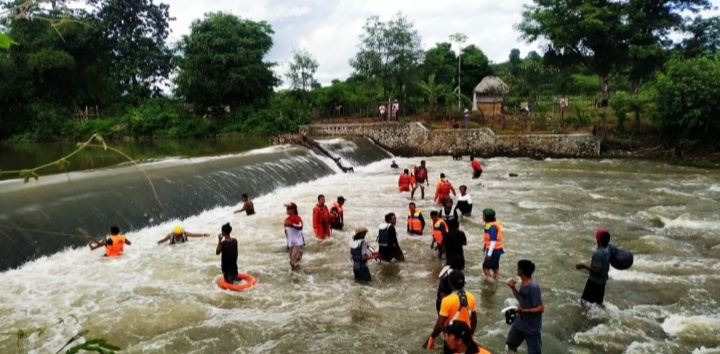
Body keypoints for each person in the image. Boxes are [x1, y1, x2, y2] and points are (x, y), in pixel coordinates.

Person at [424, 270, 477, 352]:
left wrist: (432, 337)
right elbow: (474, 320)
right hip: (466, 339)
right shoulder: (471, 297)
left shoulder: (447, 301)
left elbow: (439, 325)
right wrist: (471, 333)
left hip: (452, 340)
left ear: (450, 283)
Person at [506, 260, 544, 354]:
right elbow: (521, 298)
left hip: (532, 327)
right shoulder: (523, 283)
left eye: (518, 268)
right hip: (520, 323)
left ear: (521, 271)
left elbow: (540, 308)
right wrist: (513, 287)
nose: (517, 269)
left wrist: (523, 310)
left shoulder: (533, 287)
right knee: (511, 344)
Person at [575, 229, 611, 310]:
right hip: (602, 282)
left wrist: (583, 266)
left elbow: (597, 270)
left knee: (584, 302)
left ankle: (587, 318)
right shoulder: (608, 251)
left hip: (594, 282)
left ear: (598, 240)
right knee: (598, 303)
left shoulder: (598, 253)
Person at [482, 208, 504, 280]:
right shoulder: (490, 224)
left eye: (484, 216)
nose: (482, 217)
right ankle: (497, 279)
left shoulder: (492, 227)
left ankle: (489, 282)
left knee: (485, 267)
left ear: (488, 217)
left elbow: (493, 241)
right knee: (495, 267)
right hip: (497, 250)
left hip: (493, 250)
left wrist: (489, 254)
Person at [284, 202, 305, 272]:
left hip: (298, 244)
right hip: (291, 244)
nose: (287, 210)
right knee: (292, 262)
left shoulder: (296, 217)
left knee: (295, 262)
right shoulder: (287, 219)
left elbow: (300, 226)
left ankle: (301, 276)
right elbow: (287, 233)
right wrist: (288, 244)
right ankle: (295, 275)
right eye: (287, 208)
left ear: (293, 210)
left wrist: (291, 224)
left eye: (289, 208)